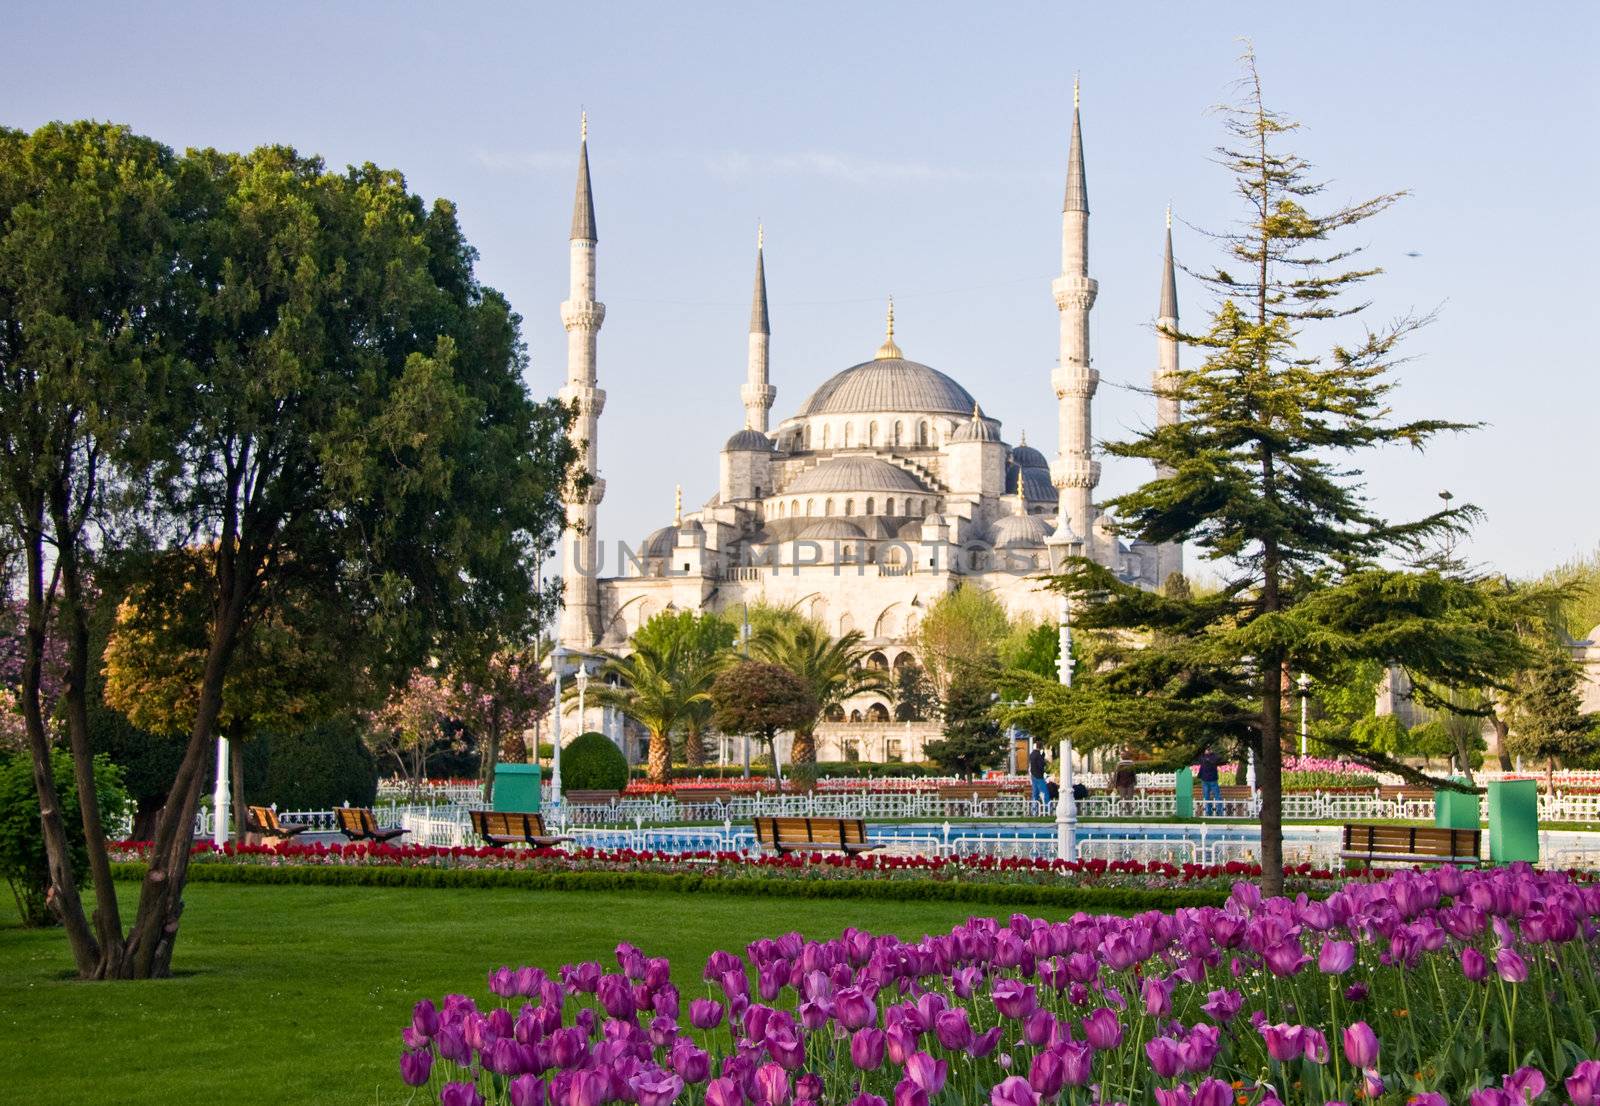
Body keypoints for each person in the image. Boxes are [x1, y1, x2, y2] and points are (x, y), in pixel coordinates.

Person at [1196, 748, 1223, 817]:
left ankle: (1217, 812)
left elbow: (1219, 758)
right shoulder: (1207, 757)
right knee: (1209, 797)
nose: (1207, 750)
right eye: (1207, 749)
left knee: (1214, 796)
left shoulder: (1211, 757)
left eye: (1209, 749)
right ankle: (1210, 812)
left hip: (1211, 780)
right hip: (1207, 780)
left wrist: (1210, 755)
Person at [1027, 736, 1050, 808]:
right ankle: (1047, 808)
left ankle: (1034, 809)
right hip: (1039, 776)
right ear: (1041, 747)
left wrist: (1042, 756)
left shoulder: (1032, 754)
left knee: (1035, 793)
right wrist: (1044, 768)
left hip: (1033, 775)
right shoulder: (1038, 755)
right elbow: (1041, 765)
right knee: (1045, 792)